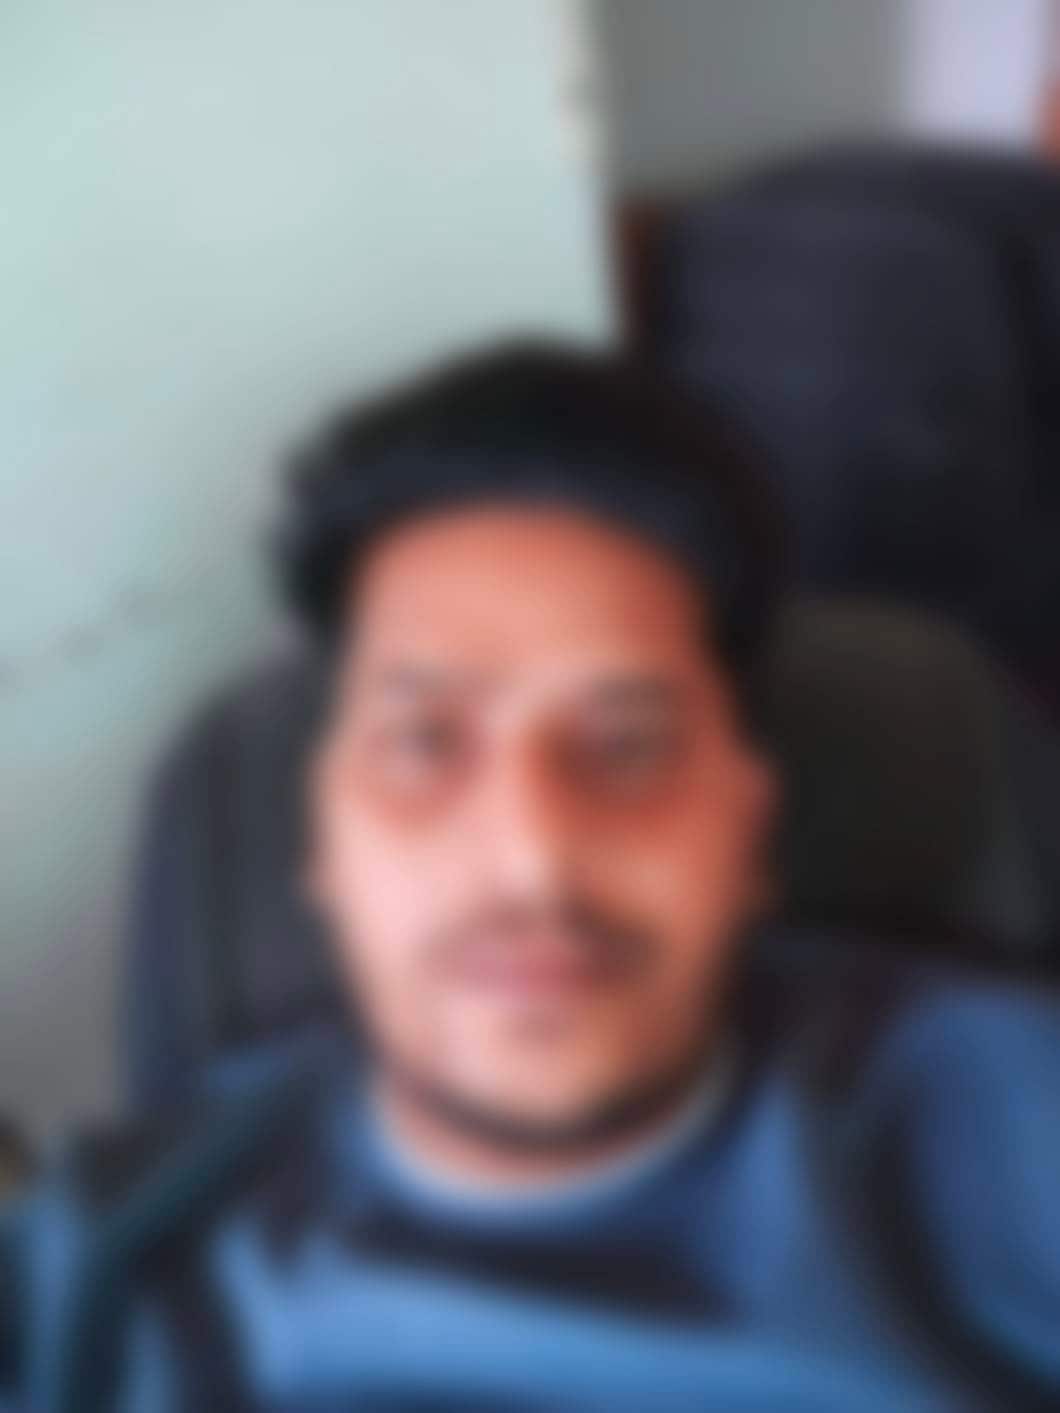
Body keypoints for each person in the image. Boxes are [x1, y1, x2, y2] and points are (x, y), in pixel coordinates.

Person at [3, 344, 1059, 1412]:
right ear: (321, 838)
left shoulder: (1015, 1116)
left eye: (629, 744)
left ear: (748, 823)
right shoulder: (93, 1271)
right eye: (424, 742)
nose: (534, 855)